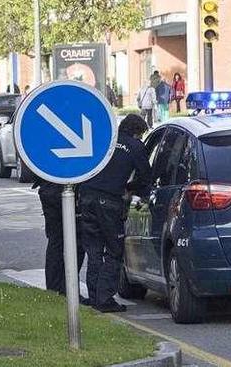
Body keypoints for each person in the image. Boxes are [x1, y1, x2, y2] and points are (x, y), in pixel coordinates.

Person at [79, 114, 152, 312]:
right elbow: (146, 177)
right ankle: (105, 299)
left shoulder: (105, 140)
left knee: (94, 251)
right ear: (137, 132)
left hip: (86, 197)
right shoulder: (135, 147)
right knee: (114, 250)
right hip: (109, 201)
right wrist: (134, 189)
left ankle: (94, 296)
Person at [33, 175, 86, 300]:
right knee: (75, 243)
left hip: (49, 190)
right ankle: (67, 289)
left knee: (56, 243)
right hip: (65, 191)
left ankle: (55, 289)